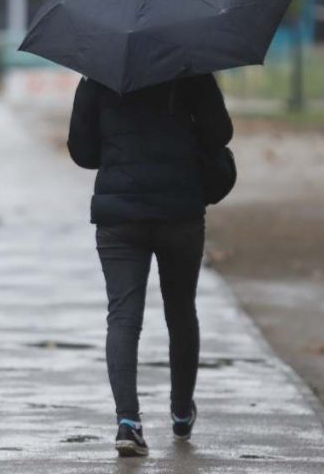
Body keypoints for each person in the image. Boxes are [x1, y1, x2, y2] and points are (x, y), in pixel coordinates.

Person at [67, 72, 233, 457]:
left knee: (123, 315)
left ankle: (128, 422)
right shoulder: (191, 70)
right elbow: (219, 133)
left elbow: (83, 152)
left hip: (119, 216)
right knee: (180, 310)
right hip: (181, 212)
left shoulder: (98, 75)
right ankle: (180, 411)